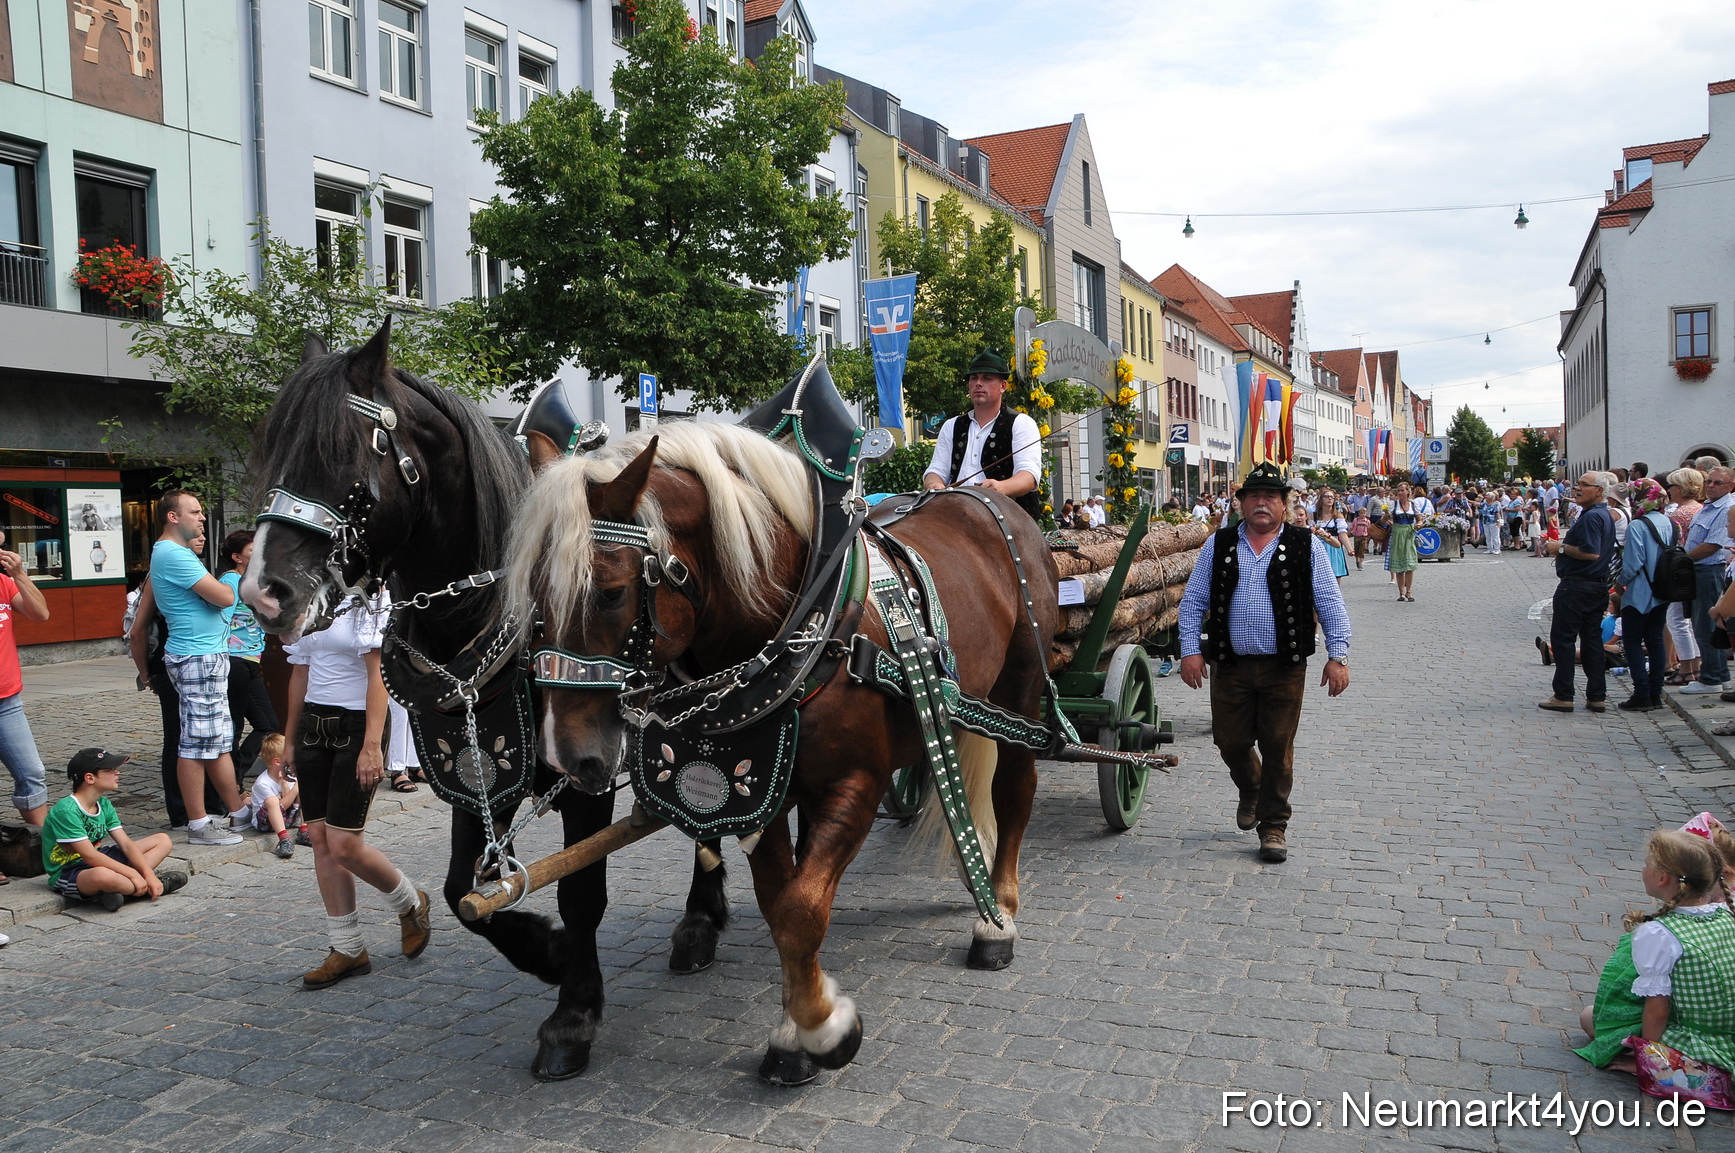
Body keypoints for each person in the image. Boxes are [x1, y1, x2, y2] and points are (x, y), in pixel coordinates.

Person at [1177, 462, 1352, 865]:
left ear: (1284, 504)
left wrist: (1337, 655)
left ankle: (1273, 826)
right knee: (1230, 741)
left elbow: (1330, 604)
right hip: (1231, 664)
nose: (1261, 503)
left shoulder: (1306, 544)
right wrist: (1190, 649)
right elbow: (1193, 603)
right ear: (1240, 504)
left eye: (1270, 497)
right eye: (1253, 496)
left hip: (1284, 666)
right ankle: (1250, 786)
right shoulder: (1218, 545)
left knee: (1277, 745)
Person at [283, 593, 431, 988]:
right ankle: (347, 948)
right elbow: (300, 670)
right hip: (314, 725)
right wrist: (290, 739)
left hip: (357, 727)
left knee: (344, 844)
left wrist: (370, 745)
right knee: (318, 838)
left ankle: (409, 902)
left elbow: (377, 674)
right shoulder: (310, 594)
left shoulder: (371, 598)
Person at [1575, 828, 1735, 1080]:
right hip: (1729, 1037)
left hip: (1697, 1044)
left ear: (1662, 877)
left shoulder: (1659, 933)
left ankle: (1679, 1067)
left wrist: (1647, 1061)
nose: (1643, 869)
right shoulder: (1727, 914)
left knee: (1589, 1016)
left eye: (1646, 864)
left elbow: (1658, 1009)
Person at [148, 492, 249, 845]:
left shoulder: (175, 553)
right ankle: (197, 823)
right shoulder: (174, 554)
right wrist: (229, 586)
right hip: (195, 655)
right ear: (173, 517)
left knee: (218, 740)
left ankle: (237, 812)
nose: (203, 518)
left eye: (203, 512)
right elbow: (223, 597)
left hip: (205, 653)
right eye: (195, 512)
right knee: (195, 744)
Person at [43, 749, 187, 910]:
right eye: (110, 770)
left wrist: (148, 874)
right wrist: (133, 874)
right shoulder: (67, 810)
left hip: (101, 857)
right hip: (71, 870)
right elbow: (89, 855)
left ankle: (121, 890)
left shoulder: (103, 803)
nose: (117, 772)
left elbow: (126, 844)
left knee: (162, 840)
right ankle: (145, 888)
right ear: (90, 778)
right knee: (103, 875)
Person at [922, 350, 1044, 522]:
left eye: (987, 378)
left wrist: (1002, 487)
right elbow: (936, 470)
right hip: (954, 514)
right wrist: (933, 484)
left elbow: (1029, 476)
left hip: (1007, 519)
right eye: (974, 378)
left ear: (1003, 386)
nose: (978, 383)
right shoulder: (952, 426)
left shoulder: (1021, 423)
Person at [1539, 472, 1617, 713]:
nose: (1578, 488)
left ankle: (1563, 695)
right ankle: (1596, 696)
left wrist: (1560, 547)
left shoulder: (1593, 517)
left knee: (1563, 640)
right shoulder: (1602, 514)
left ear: (1600, 491)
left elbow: (1590, 552)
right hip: (1595, 585)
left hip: (1577, 585)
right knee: (1592, 640)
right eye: (1578, 484)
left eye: (1585, 485)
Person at [0, 530, 51, 870]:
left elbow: (40, 614)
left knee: (31, 772)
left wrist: (19, 574)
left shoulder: (4, 581)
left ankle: (47, 849)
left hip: (7, 698)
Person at [219, 530, 279, 780]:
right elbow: (221, 619)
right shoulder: (230, 581)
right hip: (235, 660)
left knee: (266, 725)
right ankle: (230, 783)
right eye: (252, 550)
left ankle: (233, 777)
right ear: (237, 557)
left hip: (250, 661)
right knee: (237, 726)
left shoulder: (254, 579)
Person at [1616, 479, 1674, 712]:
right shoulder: (1669, 523)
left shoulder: (1637, 525)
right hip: (1662, 590)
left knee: (1631, 641)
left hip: (1640, 591)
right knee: (1655, 640)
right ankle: (1655, 693)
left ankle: (1641, 693)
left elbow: (1633, 564)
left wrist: (1619, 584)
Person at [1681, 466, 1735, 695]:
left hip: (1709, 570)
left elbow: (1713, 545)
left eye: (1717, 483)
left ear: (1730, 486)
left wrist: (1680, 560)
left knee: (1706, 626)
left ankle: (1711, 677)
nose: (1711, 486)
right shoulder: (1709, 507)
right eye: (1709, 481)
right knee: (1701, 626)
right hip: (1698, 570)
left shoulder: (1726, 508)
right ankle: (1718, 675)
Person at [1664, 469, 1706, 686]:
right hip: (1692, 570)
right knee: (1688, 621)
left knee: (1676, 620)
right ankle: (1696, 665)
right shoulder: (1699, 509)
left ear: (1679, 488)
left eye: (1671, 486)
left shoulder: (1679, 514)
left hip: (1680, 571)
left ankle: (1688, 668)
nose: (1669, 490)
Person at [249, 733, 307, 859]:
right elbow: (282, 806)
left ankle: (304, 829)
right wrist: (296, 788)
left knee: (306, 787)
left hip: (287, 817)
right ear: (277, 761)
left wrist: (286, 786)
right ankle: (284, 840)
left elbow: (289, 803)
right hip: (266, 822)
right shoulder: (263, 783)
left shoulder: (290, 775)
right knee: (272, 800)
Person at [1385, 481, 1424, 601]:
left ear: (1408, 492)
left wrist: (1418, 524)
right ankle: (1401, 592)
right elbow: (1384, 520)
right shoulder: (1393, 504)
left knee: (1409, 565)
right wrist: (1387, 518)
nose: (1400, 492)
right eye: (1399, 490)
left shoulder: (1413, 505)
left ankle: (1409, 591)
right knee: (1399, 565)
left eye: (1402, 490)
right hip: (1397, 534)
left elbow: (1420, 520)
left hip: (1409, 534)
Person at [1312, 489, 1351, 583]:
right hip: (1318, 546)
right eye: (1327, 496)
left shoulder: (1337, 515)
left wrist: (1349, 548)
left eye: (1331, 497)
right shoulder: (1314, 515)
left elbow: (1342, 534)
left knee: (1335, 576)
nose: (1329, 499)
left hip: (1333, 547)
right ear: (1321, 499)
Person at [1349, 503, 1371, 570]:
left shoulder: (1367, 521)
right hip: (1357, 536)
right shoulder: (1356, 520)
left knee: (1362, 550)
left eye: (1364, 513)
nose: (1362, 514)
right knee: (1357, 549)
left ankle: (1360, 563)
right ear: (1359, 513)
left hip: (1364, 537)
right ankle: (1357, 560)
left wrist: (1368, 536)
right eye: (1361, 513)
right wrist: (1350, 532)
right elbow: (1352, 527)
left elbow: (1369, 529)